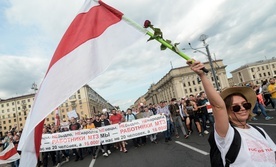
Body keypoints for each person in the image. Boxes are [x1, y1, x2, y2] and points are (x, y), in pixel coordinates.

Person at [188, 60, 276, 166]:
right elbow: (218, 106)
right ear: (227, 112)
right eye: (236, 107)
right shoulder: (227, 134)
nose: (243, 108)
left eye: (245, 105)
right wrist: (202, 76)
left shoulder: (260, 131)